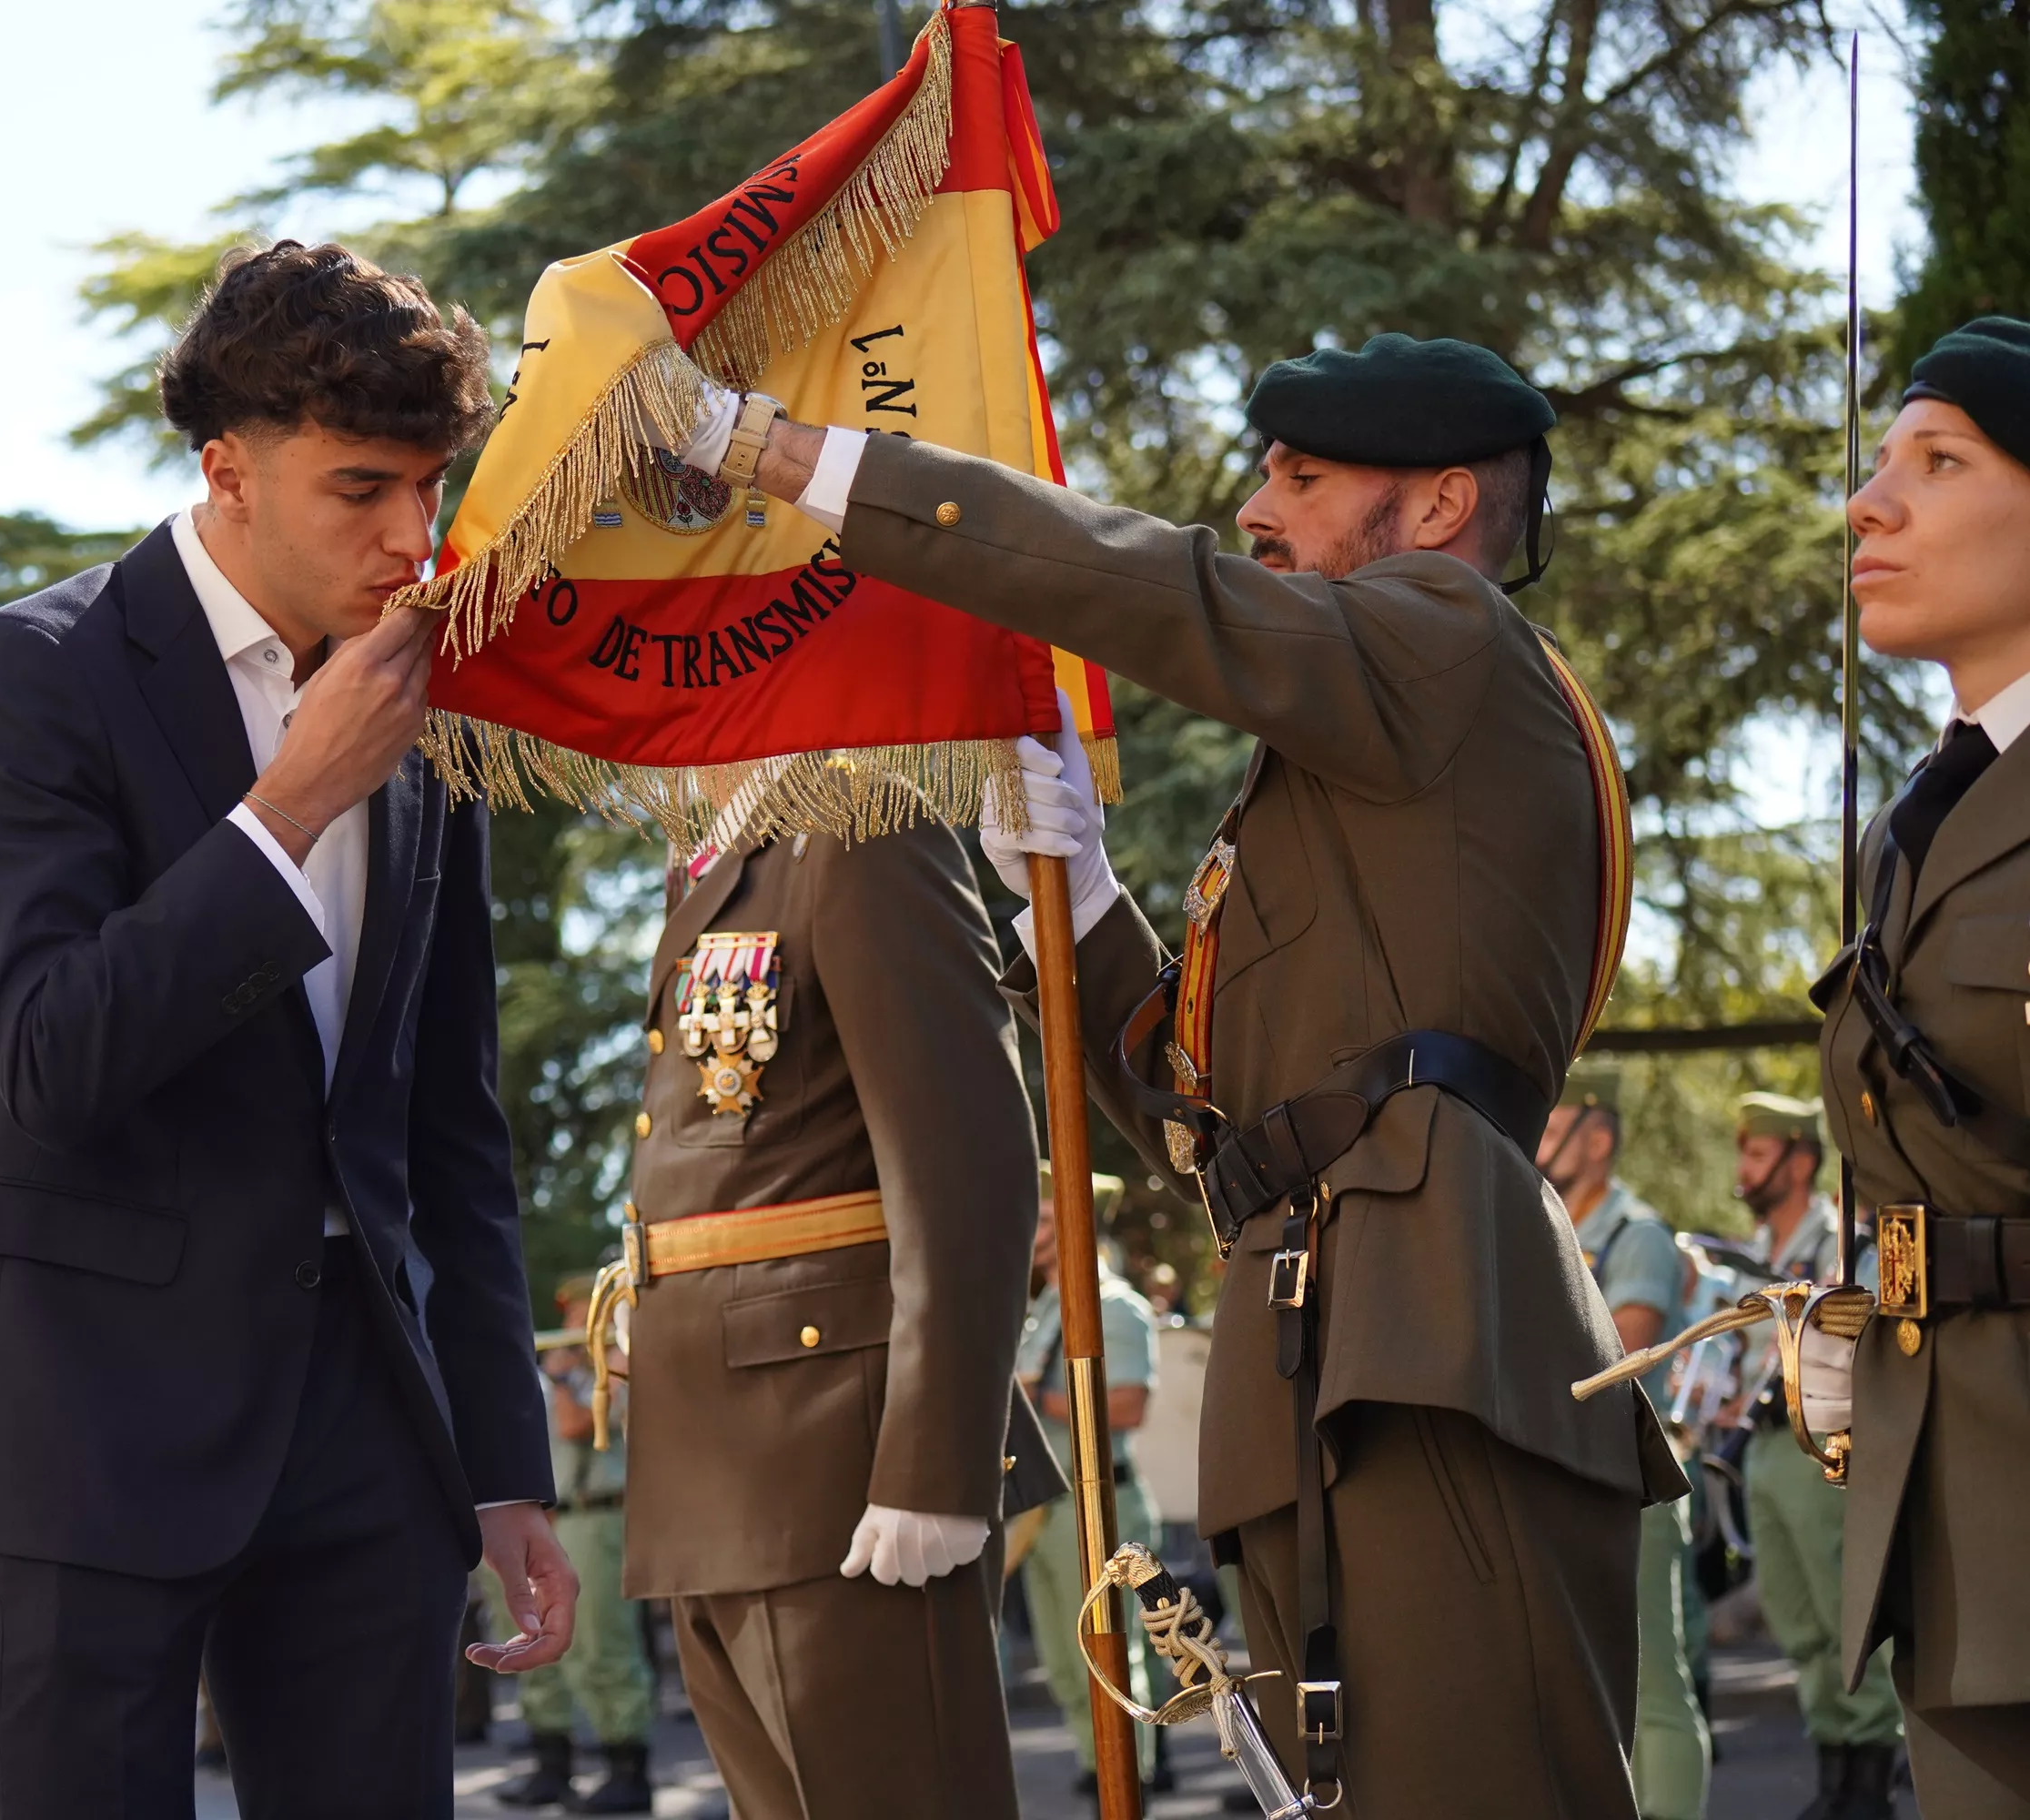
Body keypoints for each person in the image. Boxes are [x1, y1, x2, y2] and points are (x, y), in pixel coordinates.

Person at [709, 330, 1687, 1813]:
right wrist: (1086, 898)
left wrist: (789, 458)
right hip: (1339, 1321)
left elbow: (1160, 590)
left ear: (1434, 511)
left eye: (1301, 473)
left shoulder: (1449, 632)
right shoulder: (1367, 756)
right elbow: (1204, 1120)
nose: (1254, 507)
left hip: (1432, 1329)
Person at [0, 239, 571, 1820]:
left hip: (365, 1439)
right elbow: (52, 1058)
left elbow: (449, 1129)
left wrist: (500, 1465)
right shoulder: (28, 678)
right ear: (227, 470)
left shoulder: (430, 719)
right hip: (83, 1432)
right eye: (361, 490)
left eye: (429, 486)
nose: (413, 538)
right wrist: (290, 808)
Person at [603, 769, 1036, 1820]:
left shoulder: (859, 826)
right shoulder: (706, 857)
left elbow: (966, 1156)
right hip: (718, 1458)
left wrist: (935, 1461)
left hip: (841, 1454)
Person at [1813, 314, 2030, 1815]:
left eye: (1939, 461)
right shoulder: (1912, 825)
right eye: (1880, 462)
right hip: (1946, 1490)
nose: (1869, 503)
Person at [1540, 1067, 1710, 1820]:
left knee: (1655, 1689)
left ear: (1598, 1137)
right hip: (1568, 1475)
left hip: (1629, 1472)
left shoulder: (1634, 1233)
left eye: (1552, 1129)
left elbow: (1624, 1355)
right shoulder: (1551, 1225)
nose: (1537, 1144)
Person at [1730, 1092, 1901, 1819]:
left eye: (1759, 1153)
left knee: (1842, 1617)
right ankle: (1833, 1768)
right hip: (1763, 1453)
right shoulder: (1754, 1257)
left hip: (1823, 1447)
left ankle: (1869, 1778)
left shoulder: (1843, 1249)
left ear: (1802, 1162)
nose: (1744, 1170)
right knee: (1797, 1623)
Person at [1013, 1168, 1162, 1801]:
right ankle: (1097, 1769)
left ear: (1078, 1225)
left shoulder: (1114, 1306)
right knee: (1066, 1665)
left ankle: (1133, 1780)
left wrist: (1030, 1401)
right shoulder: (1042, 1304)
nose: (1033, 1230)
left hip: (1098, 1503)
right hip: (1046, 1511)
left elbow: (1126, 1408)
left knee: (1106, 1659)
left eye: (1047, 1219)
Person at [489, 1278, 654, 1814]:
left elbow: (577, 1423)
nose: (572, 1322)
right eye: (568, 1312)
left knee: (602, 1642)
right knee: (532, 1637)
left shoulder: (620, 1362)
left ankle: (628, 1766)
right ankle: (551, 1761)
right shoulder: (562, 1369)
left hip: (600, 1511)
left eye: (583, 1310)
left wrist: (563, 1379)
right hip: (557, 1516)